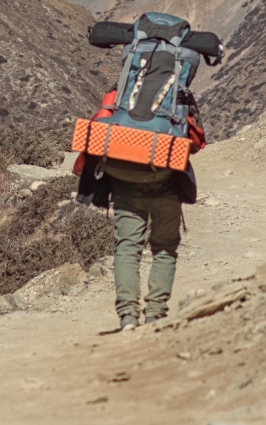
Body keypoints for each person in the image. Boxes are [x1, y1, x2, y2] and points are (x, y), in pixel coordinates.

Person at [74, 87, 204, 330]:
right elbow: (196, 143)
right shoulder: (178, 96)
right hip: (165, 184)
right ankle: (155, 313)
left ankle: (128, 316)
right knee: (164, 249)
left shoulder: (120, 93)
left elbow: (97, 132)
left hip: (125, 185)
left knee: (127, 248)